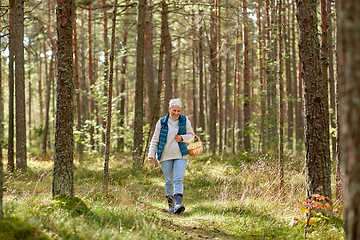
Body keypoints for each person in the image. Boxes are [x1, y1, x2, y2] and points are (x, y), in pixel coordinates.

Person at [148, 98, 194, 214]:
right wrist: (151, 154)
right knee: (169, 180)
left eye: (179, 111)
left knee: (178, 179)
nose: (176, 113)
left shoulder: (185, 120)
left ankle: (178, 204)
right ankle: (171, 206)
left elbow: (192, 135)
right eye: (174, 110)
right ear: (169, 109)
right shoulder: (162, 122)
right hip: (165, 155)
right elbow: (155, 140)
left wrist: (183, 138)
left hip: (181, 154)